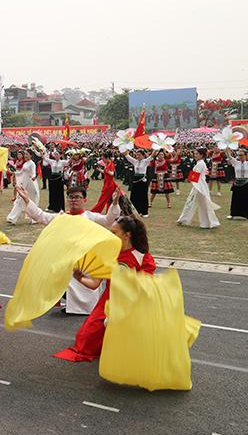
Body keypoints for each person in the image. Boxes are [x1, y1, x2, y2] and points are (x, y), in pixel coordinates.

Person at [54, 215, 156, 361]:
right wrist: (80, 279)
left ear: (126, 235)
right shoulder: (109, 256)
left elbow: (146, 289)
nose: (110, 235)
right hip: (106, 304)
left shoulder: (141, 258)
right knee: (84, 342)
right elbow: (95, 284)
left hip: (131, 306)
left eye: (114, 233)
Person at [15, 184, 122, 315]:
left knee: (86, 287)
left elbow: (108, 220)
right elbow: (41, 216)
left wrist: (115, 203)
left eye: (77, 197)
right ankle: (67, 304)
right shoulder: (62, 217)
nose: (73, 200)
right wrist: (27, 199)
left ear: (84, 200)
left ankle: (86, 308)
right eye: (70, 197)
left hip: (87, 262)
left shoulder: (91, 217)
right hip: (66, 261)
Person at [177, 147, 221, 229]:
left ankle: (208, 223)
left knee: (197, 204)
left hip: (199, 187)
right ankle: (184, 219)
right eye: (195, 154)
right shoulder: (200, 163)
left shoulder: (201, 163)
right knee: (193, 203)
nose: (195, 155)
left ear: (202, 155)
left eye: (197, 154)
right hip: (198, 186)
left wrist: (188, 179)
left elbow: (195, 174)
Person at [6, 151, 39, 224]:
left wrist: (33, 177)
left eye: (27, 154)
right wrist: (12, 173)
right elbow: (21, 172)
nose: (25, 155)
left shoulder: (32, 163)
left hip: (30, 184)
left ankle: (34, 219)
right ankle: (12, 218)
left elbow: (34, 172)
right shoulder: (26, 163)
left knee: (30, 201)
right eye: (25, 154)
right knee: (20, 200)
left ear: (31, 155)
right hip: (24, 183)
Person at [225, 148, 248, 220]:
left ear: (246, 156)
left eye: (241, 155)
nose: (240, 157)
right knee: (235, 200)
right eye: (239, 155)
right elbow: (229, 156)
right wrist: (227, 147)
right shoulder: (235, 163)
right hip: (237, 183)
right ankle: (232, 214)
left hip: (246, 184)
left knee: (247, 200)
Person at [124, 150, 154, 217]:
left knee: (143, 196)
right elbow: (126, 156)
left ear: (143, 156)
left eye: (139, 155)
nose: (138, 156)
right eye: (137, 155)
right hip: (135, 180)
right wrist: (122, 146)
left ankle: (144, 212)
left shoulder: (145, 161)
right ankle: (134, 211)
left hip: (143, 180)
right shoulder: (135, 161)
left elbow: (152, 155)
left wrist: (156, 148)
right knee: (134, 196)